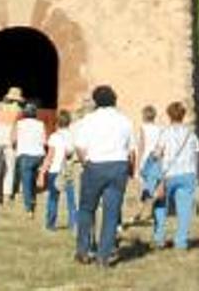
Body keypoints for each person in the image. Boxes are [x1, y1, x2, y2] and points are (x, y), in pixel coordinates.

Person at [73, 85, 135, 267]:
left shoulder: (89, 120)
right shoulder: (125, 121)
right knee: (112, 213)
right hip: (118, 166)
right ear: (114, 100)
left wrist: (86, 163)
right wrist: (130, 169)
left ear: (95, 101)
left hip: (95, 165)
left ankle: (83, 251)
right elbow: (131, 150)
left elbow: (79, 147)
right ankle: (103, 256)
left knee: (86, 209)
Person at [152, 101, 199, 251]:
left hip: (169, 174)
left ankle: (159, 237)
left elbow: (158, 154)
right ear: (183, 115)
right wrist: (196, 174)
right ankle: (181, 242)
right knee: (185, 210)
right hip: (188, 173)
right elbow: (197, 154)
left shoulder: (165, 133)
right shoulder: (190, 134)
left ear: (169, 115)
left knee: (160, 204)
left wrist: (154, 158)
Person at [38, 110, 77, 231]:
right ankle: (73, 224)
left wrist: (42, 172)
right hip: (69, 170)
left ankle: (50, 224)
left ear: (57, 123)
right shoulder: (73, 136)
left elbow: (50, 156)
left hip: (55, 170)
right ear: (69, 122)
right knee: (72, 200)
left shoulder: (54, 137)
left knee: (53, 199)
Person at [0, 86, 24, 211]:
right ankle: (6, 195)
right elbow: (16, 127)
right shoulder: (19, 110)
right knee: (10, 167)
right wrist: (14, 140)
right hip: (9, 139)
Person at [13, 101, 46, 218]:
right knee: (32, 180)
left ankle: (29, 209)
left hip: (25, 155)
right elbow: (44, 141)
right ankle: (33, 198)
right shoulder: (40, 124)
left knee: (26, 182)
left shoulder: (19, 124)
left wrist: (15, 147)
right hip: (38, 155)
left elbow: (14, 139)